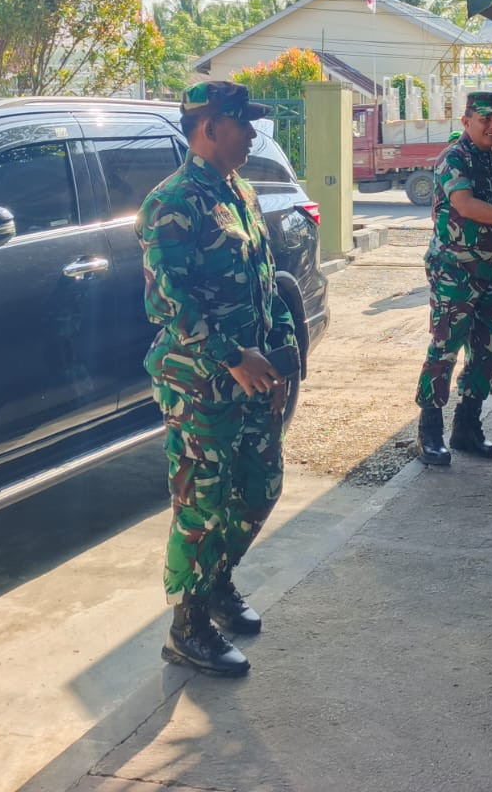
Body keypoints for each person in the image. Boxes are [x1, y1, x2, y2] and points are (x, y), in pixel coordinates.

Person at [137, 80, 299, 677]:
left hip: (252, 378)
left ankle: (219, 585)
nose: (252, 133)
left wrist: (282, 356)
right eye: (242, 122)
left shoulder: (242, 193)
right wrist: (233, 355)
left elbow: (266, 279)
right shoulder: (172, 202)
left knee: (259, 488)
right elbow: (168, 304)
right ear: (208, 127)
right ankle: (188, 626)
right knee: (201, 501)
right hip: (201, 381)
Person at [416, 90, 492, 465]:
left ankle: (467, 427)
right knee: (446, 347)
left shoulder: (490, 160)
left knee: (487, 349)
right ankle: (429, 432)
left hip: (486, 267)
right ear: (466, 121)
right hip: (454, 269)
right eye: (485, 119)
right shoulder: (454, 158)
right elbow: (465, 205)